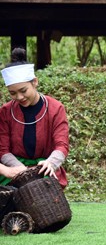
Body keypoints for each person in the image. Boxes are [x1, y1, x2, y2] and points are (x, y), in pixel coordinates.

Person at [0, 48, 69, 187]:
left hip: (44, 168)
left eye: (23, 90)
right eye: (12, 93)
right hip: (15, 170)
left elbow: (62, 145)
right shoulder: (6, 112)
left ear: (35, 82)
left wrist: (51, 163)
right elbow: (3, 150)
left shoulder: (55, 108)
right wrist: (22, 171)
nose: (19, 97)